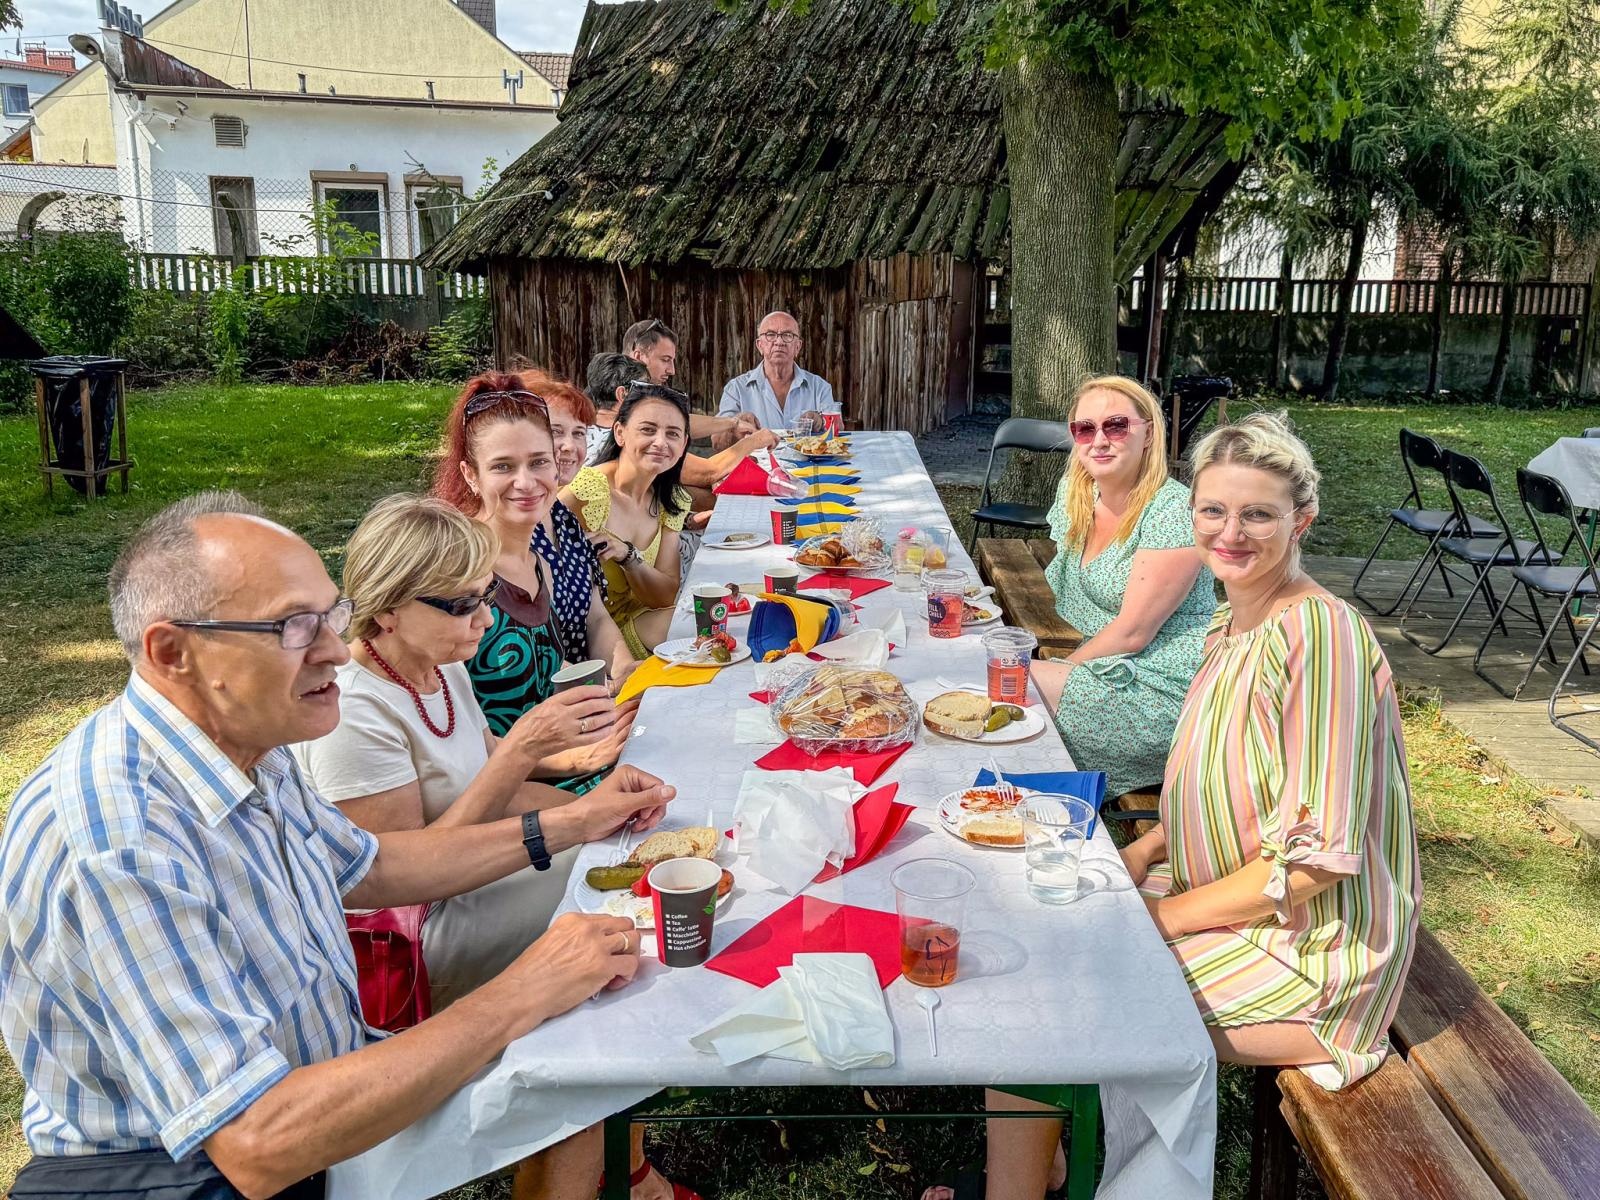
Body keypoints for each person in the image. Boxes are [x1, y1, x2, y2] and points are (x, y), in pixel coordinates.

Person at [0, 491, 673, 1200]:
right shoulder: (122, 838)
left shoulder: (250, 743)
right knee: (560, 1021)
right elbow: (257, 1144)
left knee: (577, 1056)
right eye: (294, 626)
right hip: (197, 1173)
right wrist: (523, 989)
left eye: (330, 615)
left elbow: (374, 865)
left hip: (325, 1082)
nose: (332, 649)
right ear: (174, 653)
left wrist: (575, 822)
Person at [931, 413, 1422, 1200]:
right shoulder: (1237, 620)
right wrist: (1147, 848)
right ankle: (1044, 1164)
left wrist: (1160, 918)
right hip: (1225, 894)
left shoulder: (1320, 639)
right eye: (1214, 511)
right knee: (1032, 928)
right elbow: (1223, 782)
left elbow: (1317, 860)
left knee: (1043, 1005)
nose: (1231, 532)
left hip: (1311, 954)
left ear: (1303, 519)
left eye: (1258, 513)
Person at [293, 492, 636, 1007]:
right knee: (621, 894)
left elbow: (484, 770)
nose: (485, 619)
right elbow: (407, 880)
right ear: (387, 611)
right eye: (461, 605)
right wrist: (523, 752)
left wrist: (594, 800)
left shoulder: (441, 662)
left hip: (475, 874)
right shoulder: (354, 713)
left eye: (486, 594)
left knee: (624, 851)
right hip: (412, 936)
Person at [1028, 375, 1217, 800]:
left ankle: (1036, 806)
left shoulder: (1172, 510)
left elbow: (1133, 631)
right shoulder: (1078, 493)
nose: (1099, 440)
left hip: (1168, 686)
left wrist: (1064, 671)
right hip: (1116, 664)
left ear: (1148, 432)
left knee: (1013, 686)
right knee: (1002, 689)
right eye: (1085, 428)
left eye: (1116, 426)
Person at [561, 383, 695, 657]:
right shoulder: (590, 488)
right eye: (648, 429)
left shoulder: (673, 500)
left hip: (641, 619)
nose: (660, 442)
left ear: (683, 446)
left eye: (672, 434)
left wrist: (628, 557)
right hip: (594, 638)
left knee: (717, 624)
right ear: (620, 433)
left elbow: (664, 595)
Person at [715, 310, 839, 445]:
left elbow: (837, 431)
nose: (779, 341)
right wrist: (734, 424)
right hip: (755, 465)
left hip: (809, 465)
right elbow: (717, 442)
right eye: (770, 335)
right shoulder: (736, 389)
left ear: (798, 346)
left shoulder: (820, 387)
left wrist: (820, 421)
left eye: (787, 335)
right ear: (759, 345)